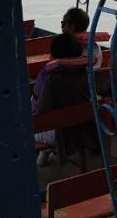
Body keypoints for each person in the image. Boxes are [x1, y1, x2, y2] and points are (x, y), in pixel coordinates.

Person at [33, 33, 92, 165]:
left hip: (60, 134)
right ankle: (44, 155)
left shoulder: (52, 79)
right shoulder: (84, 72)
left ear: (53, 55)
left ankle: (42, 154)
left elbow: (41, 110)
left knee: (22, 126)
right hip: (83, 129)